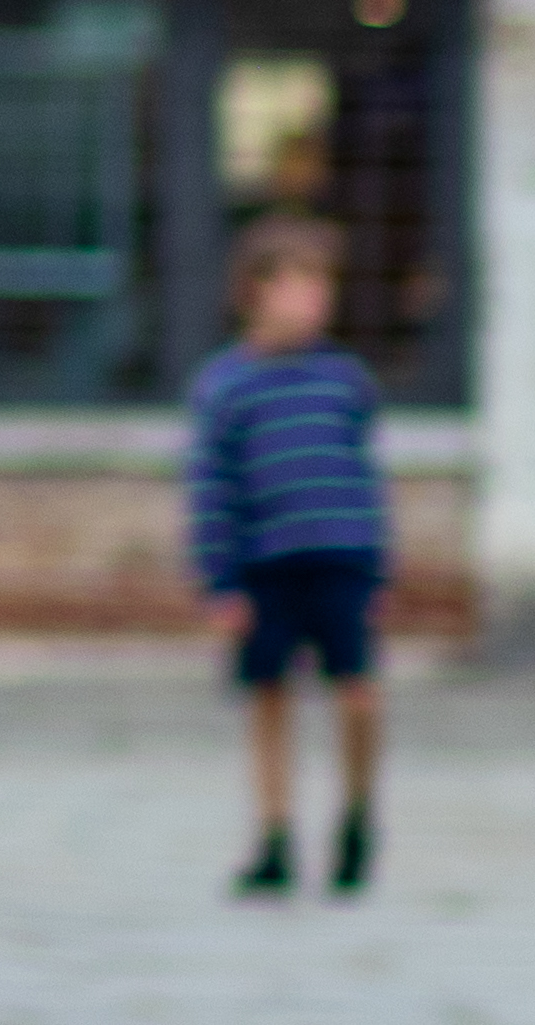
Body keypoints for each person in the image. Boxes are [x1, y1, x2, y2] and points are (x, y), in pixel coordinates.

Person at [193, 212, 390, 898]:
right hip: (265, 564)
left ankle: (358, 814)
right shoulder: (225, 385)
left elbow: (364, 478)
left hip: (340, 557)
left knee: (357, 691)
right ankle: (273, 833)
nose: (313, 300)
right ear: (256, 291)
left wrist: (377, 565)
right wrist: (219, 579)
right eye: (298, 284)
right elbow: (211, 488)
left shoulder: (344, 379)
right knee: (268, 697)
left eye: (320, 285)